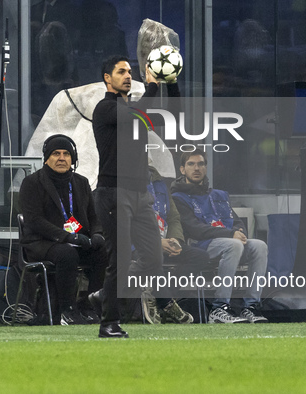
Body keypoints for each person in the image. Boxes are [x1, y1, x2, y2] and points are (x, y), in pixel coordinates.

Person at [91, 55, 192, 338]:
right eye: (121, 71)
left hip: (140, 193)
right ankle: (108, 324)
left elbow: (174, 116)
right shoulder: (105, 109)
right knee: (119, 260)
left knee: (153, 258)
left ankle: (106, 295)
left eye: (129, 71)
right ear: (107, 78)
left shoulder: (133, 108)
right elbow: (133, 115)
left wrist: (170, 84)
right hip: (113, 193)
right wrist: (150, 89)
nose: (127, 75)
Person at [171, 149, 269, 323]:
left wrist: (240, 233)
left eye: (201, 164)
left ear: (206, 168)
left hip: (229, 242)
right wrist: (231, 234)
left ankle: (250, 306)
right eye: (191, 164)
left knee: (260, 245)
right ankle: (219, 307)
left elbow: (236, 220)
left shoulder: (218, 195)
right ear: (182, 169)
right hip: (200, 245)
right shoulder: (177, 197)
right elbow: (195, 229)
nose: (196, 168)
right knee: (234, 245)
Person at [19, 134, 107, 325]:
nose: (61, 158)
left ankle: (88, 307)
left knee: (102, 251)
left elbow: (93, 217)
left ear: (73, 158)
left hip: (73, 241)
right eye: (56, 153)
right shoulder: (32, 183)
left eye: (66, 154)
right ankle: (67, 310)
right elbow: (34, 221)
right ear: (47, 158)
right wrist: (67, 237)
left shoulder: (81, 182)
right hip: (41, 242)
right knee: (67, 254)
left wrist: (97, 234)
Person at [139, 165, 212, 324]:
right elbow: (129, 223)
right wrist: (157, 242)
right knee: (154, 257)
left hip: (166, 240)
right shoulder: (128, 185)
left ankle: (161, 297)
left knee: (200, 256)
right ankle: (167, 304)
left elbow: (173, 218)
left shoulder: (161, 184)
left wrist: (175, 239)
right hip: (141, 244)